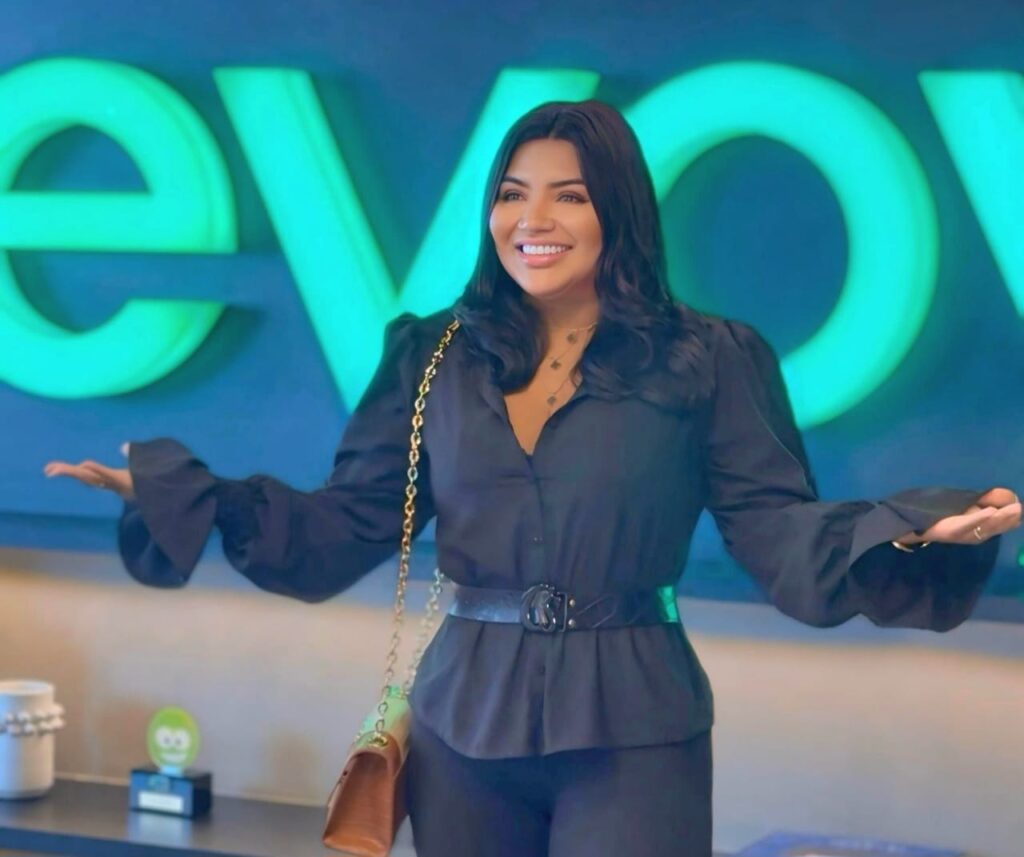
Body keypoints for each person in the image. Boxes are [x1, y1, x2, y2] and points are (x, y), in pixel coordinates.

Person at [45, 100, 1020, 857]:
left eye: (569, 195)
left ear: (619, 211)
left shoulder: (711, 358)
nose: (532, 219)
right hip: (459, 724)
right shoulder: (430, 355)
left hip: (636, 724)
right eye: (511, 193)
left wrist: (910, 528)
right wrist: (189, 495)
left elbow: (776, 528)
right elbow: (346, 523)